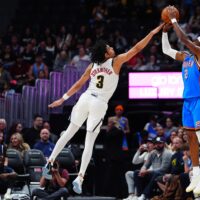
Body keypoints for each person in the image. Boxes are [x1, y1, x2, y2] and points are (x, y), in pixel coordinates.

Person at [43, 23, 164, 194]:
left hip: (85, 98)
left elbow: (78, 84)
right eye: (109, 47)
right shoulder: (115, 62)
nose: (112, 47)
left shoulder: (92, 65)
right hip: (99, 103)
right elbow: (136, 48)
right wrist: (152, 32)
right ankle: (80, 177)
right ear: (106, 53)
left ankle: (49, 162)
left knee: (68, 133)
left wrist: (62, 99)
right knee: (89, 142)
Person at [162, 6, 200, 194]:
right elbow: (166, 50)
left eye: (196, 42)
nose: (191, 42)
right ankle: (197, 172)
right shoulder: (186, 57)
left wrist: (174, 20)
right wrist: (164, 32)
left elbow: (183, 39)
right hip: (188, 102)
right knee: (190, 137)